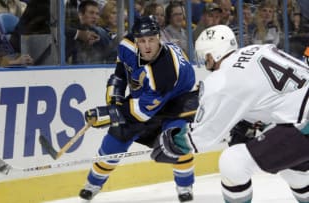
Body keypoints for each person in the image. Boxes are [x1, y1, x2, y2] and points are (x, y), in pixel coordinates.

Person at [79, 15, 198, 202]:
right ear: (135, 40)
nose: (148, 46)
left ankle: (185, 186)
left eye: (151, 39)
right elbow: (120, 72)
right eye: (142, 41)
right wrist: (115, 98)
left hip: (176, 100)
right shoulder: (127, 45)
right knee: (115, 138)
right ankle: (92, 184)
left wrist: (109, 114)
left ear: (159, 38)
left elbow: (141, 112)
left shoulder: (164, 72)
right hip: (147, 95)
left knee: (176, 140)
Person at [186, 24, 309, 203]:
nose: (206, 63)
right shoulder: (256, 49)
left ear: (212, 55)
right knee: (294, 171)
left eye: (205, 57)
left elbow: (202, 137)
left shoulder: (224, 77)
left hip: (303, 121)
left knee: (232, 162)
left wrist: (174, 141)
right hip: (302, 118)